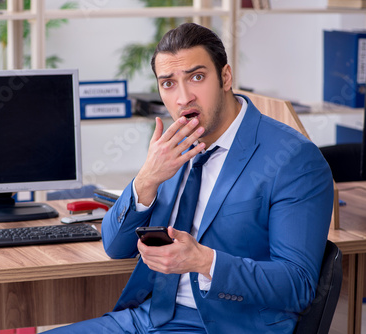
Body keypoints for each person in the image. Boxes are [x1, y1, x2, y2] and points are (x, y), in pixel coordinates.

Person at [46, 22, 334, 334]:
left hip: (227, 326)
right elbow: (115, 246)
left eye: (197, 77)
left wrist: (204, 261)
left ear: (225, 77)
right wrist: (147, 179)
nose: (183, 98)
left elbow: (297, 286)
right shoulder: (172, 146)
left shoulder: (293, 159)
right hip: (148, 318)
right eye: (168, 83)